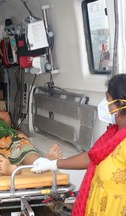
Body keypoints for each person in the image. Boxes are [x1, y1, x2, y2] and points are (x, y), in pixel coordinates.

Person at [30, 74, 126, 216]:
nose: (105, 105)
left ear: (120, 104)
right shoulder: (112, 133)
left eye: (107, 99)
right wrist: (53, 164)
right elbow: (91, 157)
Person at [0, 110, 62, 175]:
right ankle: (7, 169)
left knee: (21, 142)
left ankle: (41, 162)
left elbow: (5, 115)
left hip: (7, 137)